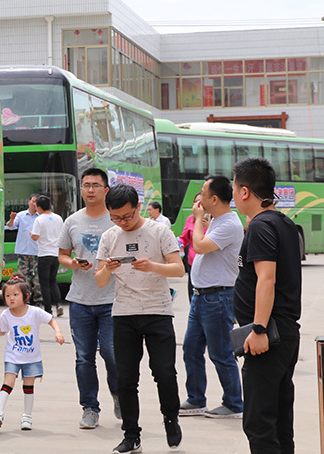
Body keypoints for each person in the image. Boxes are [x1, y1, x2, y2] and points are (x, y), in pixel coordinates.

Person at [95, 185, 185, 454]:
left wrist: (152, 266)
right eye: (116, 218)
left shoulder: (159, 231)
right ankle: (131, 435)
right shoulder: (110, 236)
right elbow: (100, 281)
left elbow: (179, 268)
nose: (122, 222)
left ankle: (171, 418)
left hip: (158, 311)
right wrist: (107, 269)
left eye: (127, 216)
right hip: (124, 314)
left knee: (165, 373)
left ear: (138, 207)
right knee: (126, 378)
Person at [232, 157, 301, 453]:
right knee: (279, 421)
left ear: (245, 191)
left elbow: (267, 279)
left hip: (269, 337)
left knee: (259, 424)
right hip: (285, 334)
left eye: (235, 188)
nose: (234, 194)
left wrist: (258, 329)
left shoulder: (262, 226)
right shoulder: (284, 223)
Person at [56, 168, 119, 430]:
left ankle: (119, 395)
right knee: (84, 357)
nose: (90, 189)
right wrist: (75, 264)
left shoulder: (116, 220)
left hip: (112, 300)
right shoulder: (71, 221)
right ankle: (90, 408)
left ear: (106, 189)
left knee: (112, 353)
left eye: (95, 185)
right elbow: (61, 255)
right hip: (80, 300)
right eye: (85, 185)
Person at [180, 175, 244, 419]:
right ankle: (196, 399)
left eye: (203, 193)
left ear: (214, 199)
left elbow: (200, 246)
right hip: (202, 297)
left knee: (220, 353)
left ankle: (234, 403)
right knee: (191, 348)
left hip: (218, 298)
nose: (200, 197)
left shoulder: (229, 223)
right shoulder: (218, 220)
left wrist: (197, 220)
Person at [0, 276, 64, 430]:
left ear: (26, 296)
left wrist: (58, 332)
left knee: (28, 387)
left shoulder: (34, 312)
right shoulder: (5, 315)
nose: (11, 298)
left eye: (15, 295)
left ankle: (27, 417)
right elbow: (2, 331)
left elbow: (52, 320)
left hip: (32, 357)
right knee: (8, 383)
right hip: (12, 356)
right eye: (7, 296)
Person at [30, 195, 64, 317]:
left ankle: (48, 309)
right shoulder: (58, 218)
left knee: (44, 283)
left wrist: (31, 234)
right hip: (56, 254)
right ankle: (59, 304)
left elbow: (35, 236)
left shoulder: (39, 219)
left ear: (39, 207)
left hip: (44, 254)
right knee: (53, 281)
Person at [6, 194, 42, 305]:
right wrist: (12, 218)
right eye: (33, 201)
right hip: (23, 251)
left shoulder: (41, 216)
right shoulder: (21, 215)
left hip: (37, 251)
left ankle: (38, 300)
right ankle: (26, 299)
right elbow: (11, 226)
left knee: (37, 278)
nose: (34, 204)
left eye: (36, 202)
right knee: (23, 278)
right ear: (29, 202)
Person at [177, 192, 210, 301]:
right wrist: (178, 242)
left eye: (200, 201)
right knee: (193, 295)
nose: (197, 204)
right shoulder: (190, 219)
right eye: (195, 202)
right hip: (192, 262)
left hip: (208, 263)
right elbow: (184, 237)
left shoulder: (214, 220)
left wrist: (209, 227)